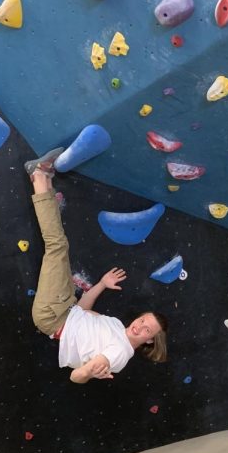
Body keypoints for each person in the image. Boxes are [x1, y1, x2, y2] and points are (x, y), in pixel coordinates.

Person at [26, 149, 168, 384]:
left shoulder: (120, 354)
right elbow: (82, 310)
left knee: (57, 246)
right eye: (143, 320)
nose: (140, 327)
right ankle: (46, 179)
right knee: (59, 246)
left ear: (150, 340)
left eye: (147, 330)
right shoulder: (115, 326)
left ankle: (38, 175)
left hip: (53, 316)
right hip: (68, 308)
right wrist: (102, 284)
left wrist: (87, 373)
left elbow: (76, 376)